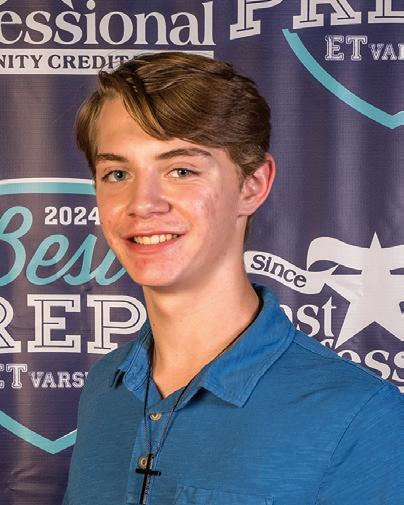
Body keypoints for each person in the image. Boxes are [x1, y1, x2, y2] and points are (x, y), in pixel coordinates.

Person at [63, 52, 403, 505]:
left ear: (252, 185)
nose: (142, 203)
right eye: (118, 173)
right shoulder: (105, 386)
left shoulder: (361, 415)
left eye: (181, 170)